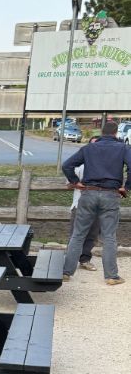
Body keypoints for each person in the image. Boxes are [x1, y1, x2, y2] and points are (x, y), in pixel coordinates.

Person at [62, 120, 131, 285]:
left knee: (78, 234)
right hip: (110, 194)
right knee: (109, 237)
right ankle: (111, 276)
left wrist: (75, 182)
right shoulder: (123, 148)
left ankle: (66, 272)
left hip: (88, 193)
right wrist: (126, 187)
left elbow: (67, 165)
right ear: (116, 133)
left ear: (102, 132)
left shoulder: (89, 148)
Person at [68, 163, 99, 271]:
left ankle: (85, 259)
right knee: (75, 234)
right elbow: (69, 184)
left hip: (98, 205)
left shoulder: (105, 165)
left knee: (93, 234)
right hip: (80, 204)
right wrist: (80, 185)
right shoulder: (80, 166)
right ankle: (69, 262)